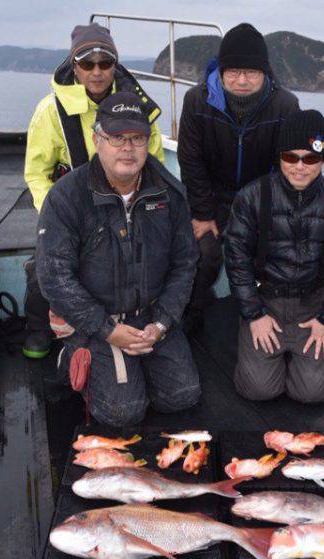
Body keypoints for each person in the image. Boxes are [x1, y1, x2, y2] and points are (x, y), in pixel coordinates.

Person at [36, 91, 201, 427]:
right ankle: (72, 353)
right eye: (117, 137)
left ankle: (137, 360)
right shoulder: (66, 197)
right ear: (98, 140)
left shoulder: (170, 194)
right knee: (122, 413)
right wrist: (107, 330)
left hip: (152, 317)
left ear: (148, 142)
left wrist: (162, 323)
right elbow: (55, 276)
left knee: (182, 395)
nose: (128, 147)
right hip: (97, 321)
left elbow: (184, 264)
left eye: (137, 138)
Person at [23, 23, 165, 359]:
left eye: (105, 62)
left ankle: (152, 320)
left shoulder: (139, 107)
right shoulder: (50, 112)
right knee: (44, 264)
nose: (97, 71)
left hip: (126, 203)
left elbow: (155, 164)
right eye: (87, 63)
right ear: (74, 66)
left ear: (115, 65)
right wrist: (54, 212)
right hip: (71, 207)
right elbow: (36, 172)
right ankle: (37, 328)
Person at [225, 109, 324, 404]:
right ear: (279, 157)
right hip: (266, 303)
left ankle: (295, 360)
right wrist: (254, 314)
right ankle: (255, 345)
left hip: (312, 305)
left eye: (310, 158)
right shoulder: (252, 196)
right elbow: (237, 259)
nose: (300, 167)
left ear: (323, 159)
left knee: (314, 394)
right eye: (291, 157)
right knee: (258, 390)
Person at [177, 22, 299, 334]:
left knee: (262, 256)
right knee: (202, 253)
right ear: (221, 69)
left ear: (265, 72)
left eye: (251, 72)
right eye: (233, 71)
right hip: (211, 197)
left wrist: (259, 216)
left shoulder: (285, 105)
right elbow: (191, 160)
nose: (242, 80)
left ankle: (254, 317)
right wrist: (203, 214)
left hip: (260, 200)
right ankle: (192, 309)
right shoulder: (196, 101)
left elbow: (285, 168)